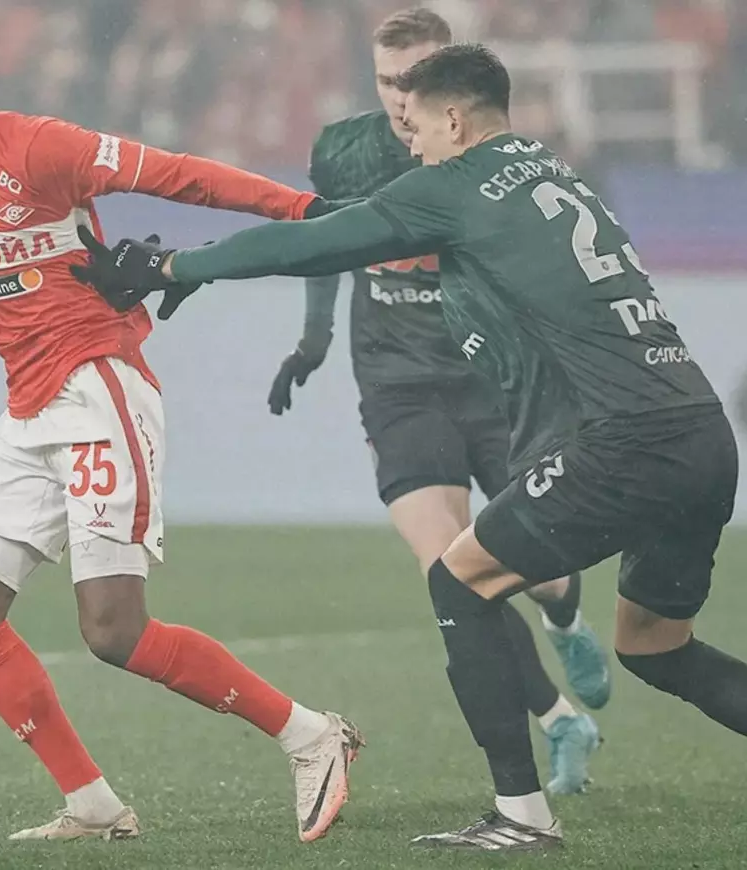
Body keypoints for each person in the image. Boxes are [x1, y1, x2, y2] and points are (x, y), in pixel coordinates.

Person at [72, 43, 745, 852]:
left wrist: (178, 264)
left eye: (419, 129)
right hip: (701, 432)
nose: (413, 146)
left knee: (459, 580)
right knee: (655, 647)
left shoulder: (456, 183)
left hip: (625, 442)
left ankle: (521, 816)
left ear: (454, 119)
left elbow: (317, 244)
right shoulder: (550, 171)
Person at [0, 33, 362, 844]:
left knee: (115, 633)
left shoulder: (40, 149)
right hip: (28, 415)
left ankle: (311, 735)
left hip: (97, 391)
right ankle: (92, 804)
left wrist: (301, 210)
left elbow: (178, 173)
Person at [269, 7, 607, 795]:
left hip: (494, 382)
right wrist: (314, 340)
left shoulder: (491, 159)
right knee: (451, 570)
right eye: (387, 80)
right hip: (398, 386)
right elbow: (325, 242)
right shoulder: (345, 151)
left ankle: (563, 615)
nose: (399, 97)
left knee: (541, 566)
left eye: (414, 80)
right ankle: (560, 719)